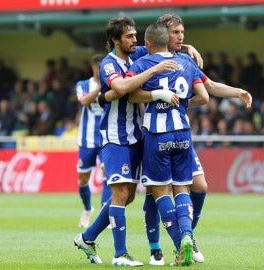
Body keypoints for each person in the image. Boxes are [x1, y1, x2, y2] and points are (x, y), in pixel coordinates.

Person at [139, 13, 253, 264]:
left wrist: (237, 92)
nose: (181, 37)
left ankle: (187, 238)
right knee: (157, 192)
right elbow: (140, 46)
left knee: (198, 186)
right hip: (156, 132)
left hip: (173, 132)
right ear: (162, 34)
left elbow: (209, 87)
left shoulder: (183, 59)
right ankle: (160, 247)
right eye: (176, 32)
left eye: (183, 33)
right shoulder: (143, 54)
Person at [73, 16, 178, 267]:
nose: (136, 40)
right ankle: (120, 254)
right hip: (114, 137)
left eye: (135, 35)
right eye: (129, 36)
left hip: (136, 136)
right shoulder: (108, 64)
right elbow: (120, 88)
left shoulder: (136, 54)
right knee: (120, 192)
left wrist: (187, 47)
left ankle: (87, 238)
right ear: (115, 40)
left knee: (128, 195)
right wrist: (153, 70)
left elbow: (162, 45)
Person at [127, 22, 209, 266]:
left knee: (160, 192)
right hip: (183, 134)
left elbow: (130, 94)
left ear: (148, 43)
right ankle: (187, 236)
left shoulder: (143, 64)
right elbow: (203, 96)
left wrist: (155, 95)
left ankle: (177, 245)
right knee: (182, 188)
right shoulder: (186, 63)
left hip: (156, 135)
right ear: (169, 39)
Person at [74, 53, 112, 228]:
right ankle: (88, 209)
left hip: (106, 137)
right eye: (99, 69)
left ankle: (106, 212)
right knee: (83, 179)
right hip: (87, 139)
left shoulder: (112, 84)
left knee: (107, 174)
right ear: (94, 68)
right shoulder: (82, 85)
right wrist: (99, 87)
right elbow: (85, 101)